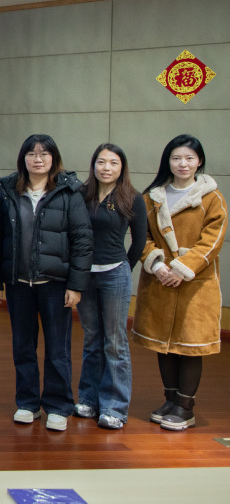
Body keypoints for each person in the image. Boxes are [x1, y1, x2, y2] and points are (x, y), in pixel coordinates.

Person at [0, 134, 92, 432]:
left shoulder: (69, 192)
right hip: (19, 284)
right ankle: (27, 403)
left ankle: (58, 406)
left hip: (55, 284)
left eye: (44, 153)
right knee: (23, 346)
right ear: (23, 159)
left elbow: (82, 241)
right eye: (32, 153)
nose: (38, 159)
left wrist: (76, 285)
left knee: (58, 349)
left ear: (53, 158)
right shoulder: (9, 191)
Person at [131, 134, 226, 431]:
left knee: (189, 344)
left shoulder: (211, 198)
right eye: (176, 158)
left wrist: (181, 269)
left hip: (195, 284)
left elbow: (212, 242)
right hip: (160, 281)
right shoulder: (151, 197)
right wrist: (158, 266)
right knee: (165, 344)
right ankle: (170, 400)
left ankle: (185, 407)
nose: (182, 164)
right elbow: (141, 237)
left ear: (199, 161)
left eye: (189, 158)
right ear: (167, 162)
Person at [75, 143, 147, 430]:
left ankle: (114, 407)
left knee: (115, 342)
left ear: (122, 167)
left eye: (113, 163)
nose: (106, 168)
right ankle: (88, 399)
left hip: (115, 274)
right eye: (101, 162)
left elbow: (139, 241)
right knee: (92, 339)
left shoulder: (132, 197)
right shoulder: (81, 194)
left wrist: (124, 268)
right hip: (84, 276)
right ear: (93, 165)